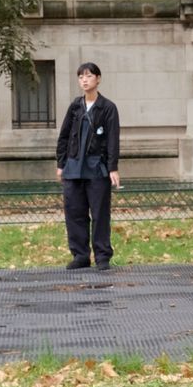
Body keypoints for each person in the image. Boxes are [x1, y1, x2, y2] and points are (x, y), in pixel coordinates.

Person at [55, 62, 120, 271]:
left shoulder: (108, 108)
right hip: (73, 168)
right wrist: (61, 163)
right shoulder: (75, 107)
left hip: (96, 168)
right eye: (81, 76)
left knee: (100, 214)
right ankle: (80, 255)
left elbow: (112, 139)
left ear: (98, 79)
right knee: (74, 213)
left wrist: (112, 167)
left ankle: (102, 256)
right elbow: (64, 136)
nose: (84, 80)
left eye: (89, 76)